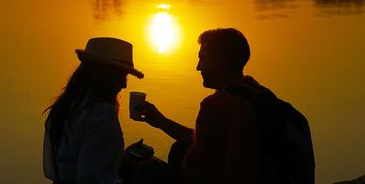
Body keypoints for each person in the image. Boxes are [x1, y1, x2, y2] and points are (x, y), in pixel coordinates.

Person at [139, 28, 315, 184]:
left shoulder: (216, 106)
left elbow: (198, 171)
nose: (198, 67)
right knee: (180, 148)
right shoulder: (258, 94)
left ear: (219, 62)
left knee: (147, 166)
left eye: (202, 59)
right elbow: (206, 138)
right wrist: (161, 121)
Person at [43, 37, 144, 184]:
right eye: (121, 75)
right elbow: (89, 178)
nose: (124, 85)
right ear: (104, 74)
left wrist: (121, 158)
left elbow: (74, 162)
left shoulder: (66, 106)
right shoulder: (101, 114)